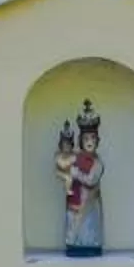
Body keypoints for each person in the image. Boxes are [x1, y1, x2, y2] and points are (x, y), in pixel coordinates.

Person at [55, 98, 106, 257]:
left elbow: (91, 179)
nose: (89, 142)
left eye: (92, 139)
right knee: (73, 226)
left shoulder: (97, 162)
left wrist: (76, 173)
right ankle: (73, 246)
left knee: (89, 228)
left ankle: (91, 247)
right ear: (80, 141)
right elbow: (64, 165)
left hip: (89, 203)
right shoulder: (77, 157)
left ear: (97, 141)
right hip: (75, 201)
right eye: (86, 139)